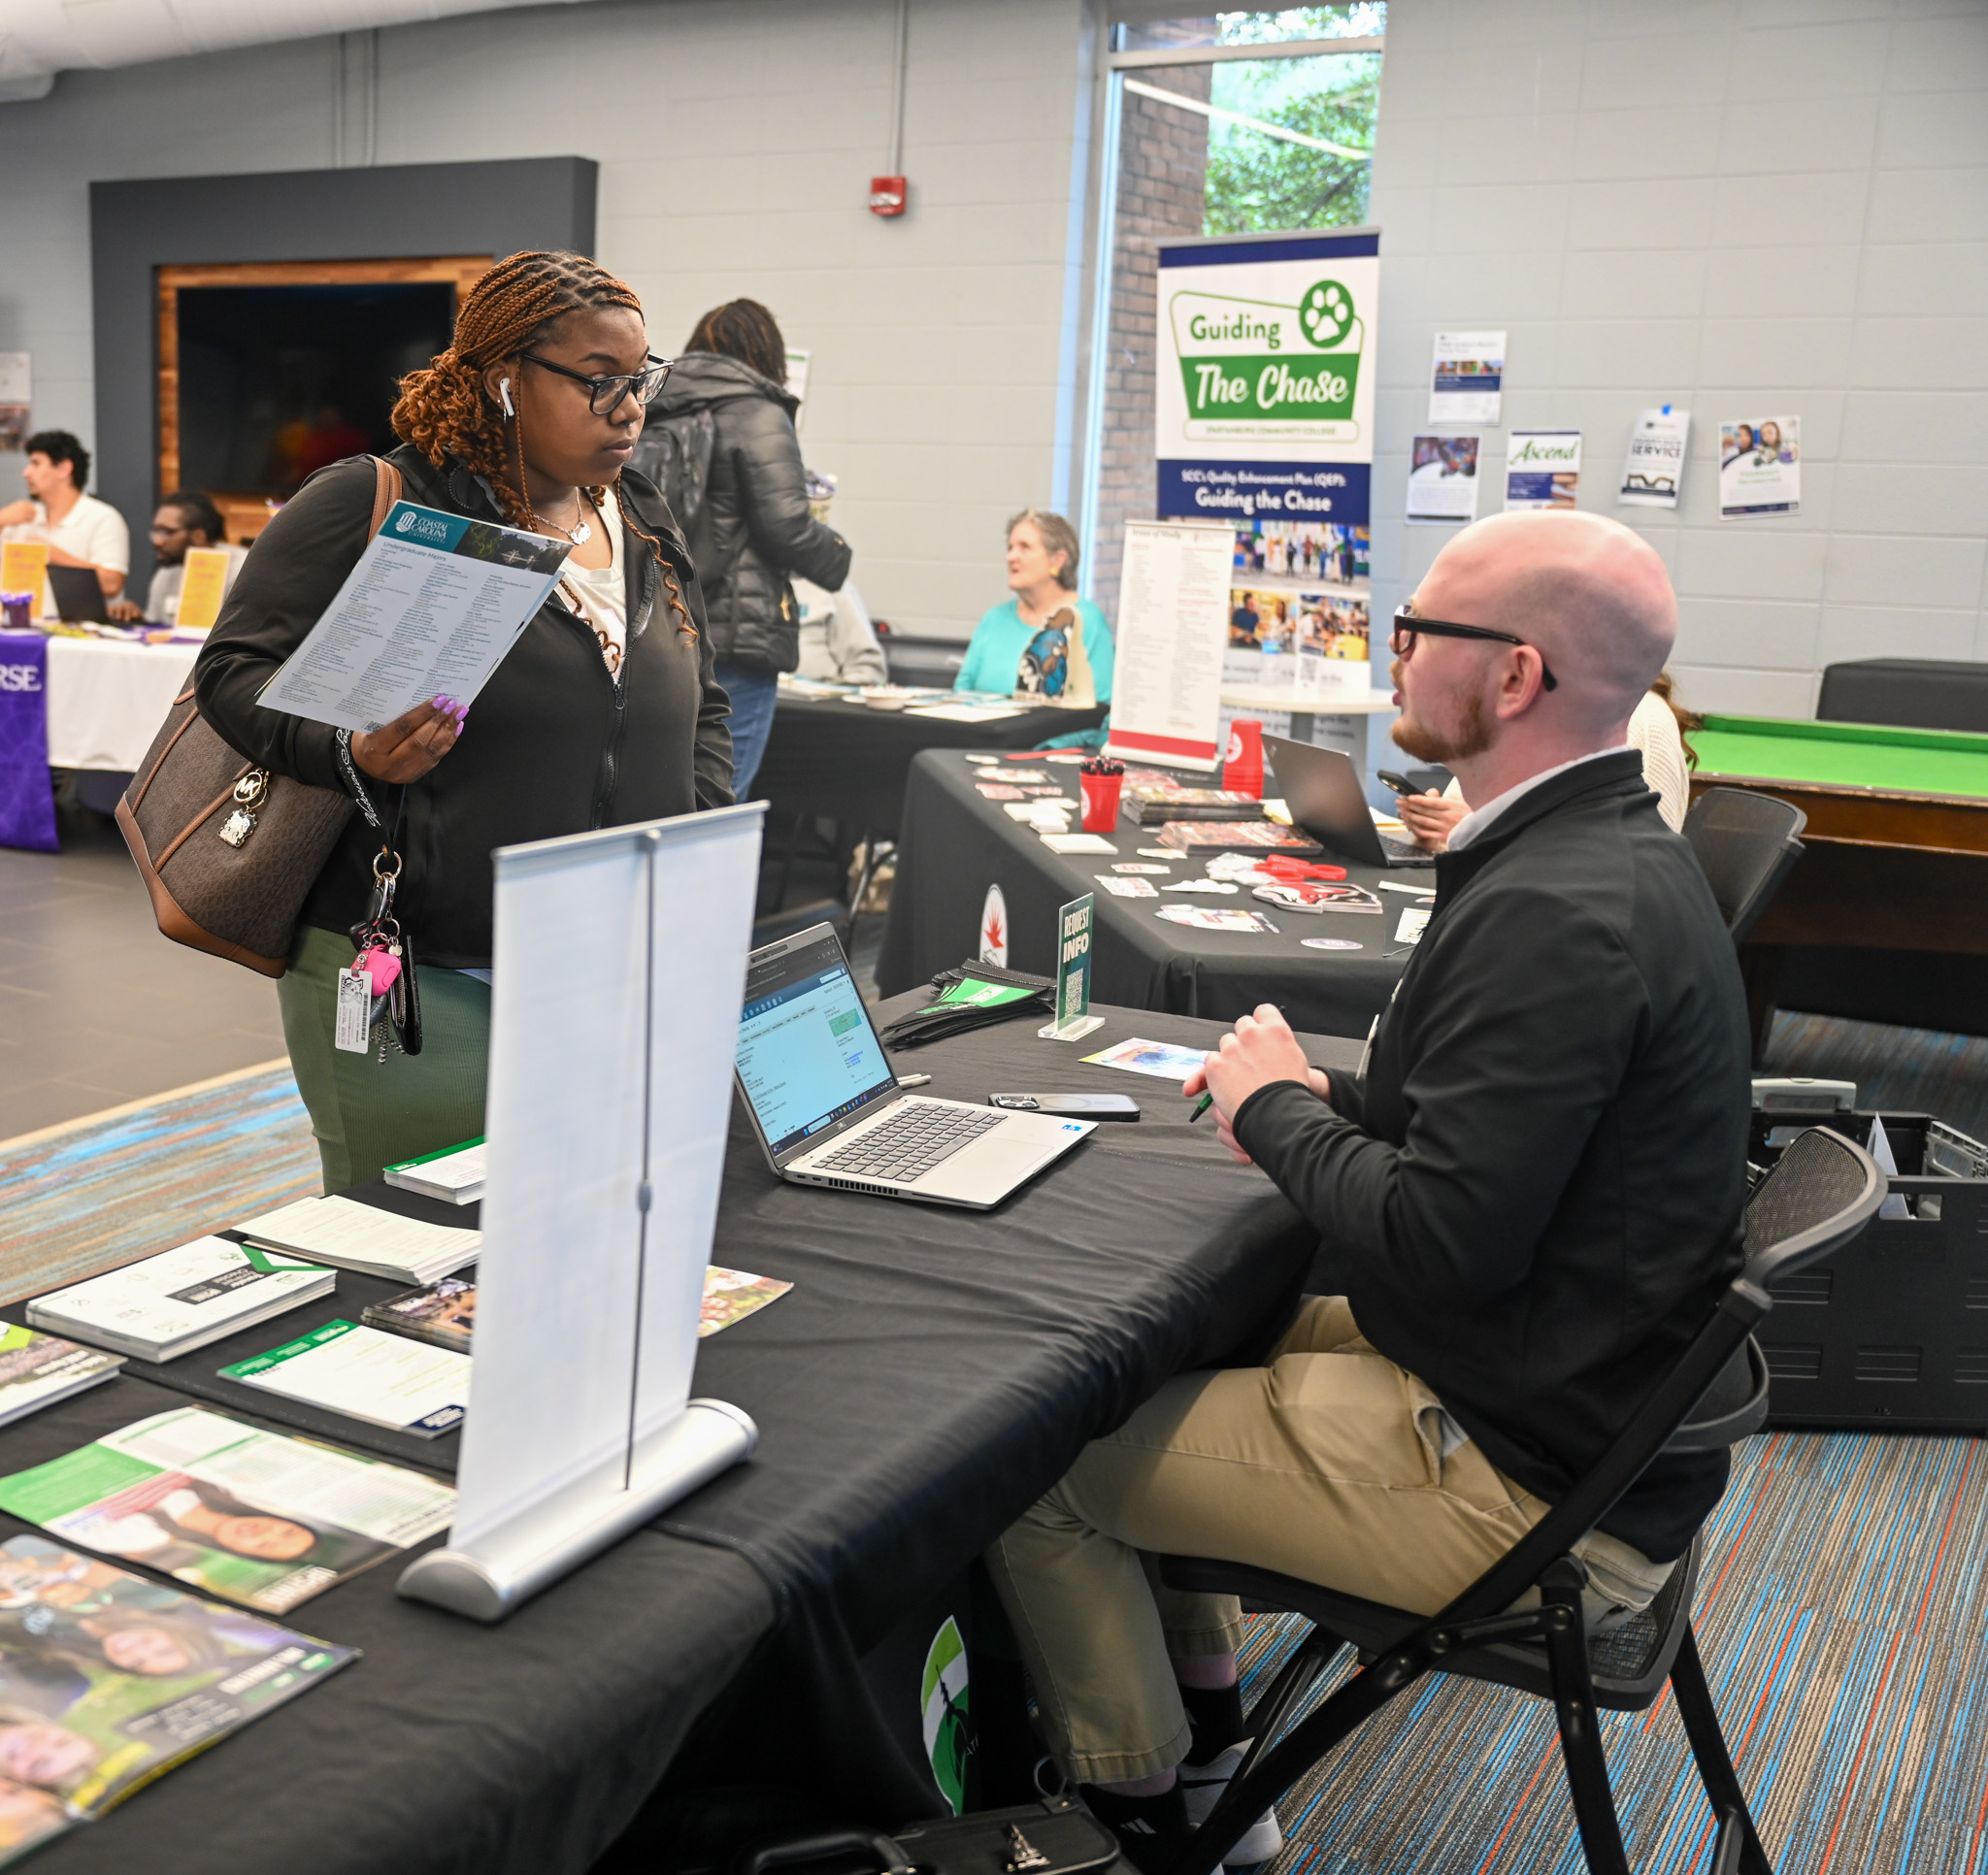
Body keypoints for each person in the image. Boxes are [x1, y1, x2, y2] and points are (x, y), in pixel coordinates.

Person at [983, 509, 1750, 1867]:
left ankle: (1141, 1813)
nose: (1389, 659)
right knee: (1149, 1355)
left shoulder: (1560, 912)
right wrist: (1320, 1108)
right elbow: (1494, 1152)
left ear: (1513, 677)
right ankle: (1220, 1755)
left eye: (1416, 635)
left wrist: (1280, 1105)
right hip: (1550, 1393)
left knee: (1035, 1460)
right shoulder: (1593, 856)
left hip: (1528, 1488)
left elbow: (1445, 1240)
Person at [197, 250, 732, 1191]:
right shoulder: (377, 498)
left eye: (640, 379)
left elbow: (702, 699)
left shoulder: (639, 514)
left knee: (573, 1227)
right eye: (597, 383)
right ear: (505, 382)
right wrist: (349, 752)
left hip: (606, 965)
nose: (628, 409)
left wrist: (696, 844)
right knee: (416, 1264)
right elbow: (233, 674)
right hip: (426, 967)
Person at [646, 298, 851, 796]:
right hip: (736, 636)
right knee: (721, 798)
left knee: (662, 792)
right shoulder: (758, 409)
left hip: (659, 627)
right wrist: (838, 555)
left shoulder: (650, 404)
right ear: (764, 355)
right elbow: (788, 526)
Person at [1399, 672, 1696, 843]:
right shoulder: (1538, 709)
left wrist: (1473, 829)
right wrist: (1435, 832)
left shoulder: (1645, 718)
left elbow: (1638, 870)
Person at [954, 509, 1114, 702]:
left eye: (1024, 547)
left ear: (1058, 560)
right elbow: (961, 692)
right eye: (1010, 548)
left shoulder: (1087, 620)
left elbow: (1102, 710)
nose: (1011, 557)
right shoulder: (994, 619)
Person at [0, 430, 129, 616]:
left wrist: (52, 555)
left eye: (36, 464)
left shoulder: (103, 517)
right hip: (19, 631)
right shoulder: (20, 517)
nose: (26, 473)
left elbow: (112, 583)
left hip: (77, 637)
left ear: (63, 469)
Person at [107, 491, 246, 624]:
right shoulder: (167, 572)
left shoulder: (240, 569)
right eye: (156, 530)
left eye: (167, 532)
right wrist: (137, 618)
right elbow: (159, 628)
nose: (157, 541)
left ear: (198, 536)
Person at [792, 575, 887, 683]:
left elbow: (868, 669)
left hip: (816, 694)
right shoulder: (769, 585)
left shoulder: (833, 586)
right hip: (776, 692)